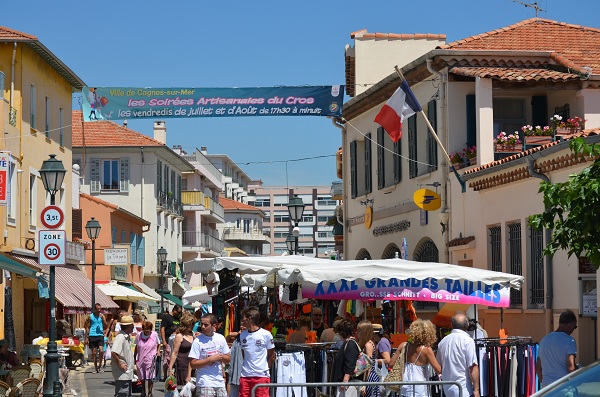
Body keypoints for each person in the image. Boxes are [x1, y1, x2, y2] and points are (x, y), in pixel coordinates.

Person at [389, 319, 442, 397]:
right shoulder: (426, 349)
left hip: (405, 386)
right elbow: (438, 370)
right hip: (420, 387)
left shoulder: (403, 345)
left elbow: (391, 364)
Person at [436, 313, 480, 397]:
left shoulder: (442, 342)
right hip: (464, 389)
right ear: (467, 325)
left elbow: (438, 367)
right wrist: (476, 390)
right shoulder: (468, 341)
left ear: (451, 325)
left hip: (447, 390)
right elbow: (473, 367)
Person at [189, 313, 231, 397]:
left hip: (219, 382)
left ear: (213, 325)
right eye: (202, 324)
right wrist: (209, 360)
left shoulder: (220, 338)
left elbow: (228, 359)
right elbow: (193, 364)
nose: (203, 327)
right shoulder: (198, 341)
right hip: (205, 381)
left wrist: (220, 357)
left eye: (206, 325)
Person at [535, 309, 578, 389]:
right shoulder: (570, 341)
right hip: (563, 386)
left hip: (547, 387)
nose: (573, 330)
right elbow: (571, 367)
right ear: (569, 325)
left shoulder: (544, 340)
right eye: (574, 327)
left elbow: (538, 368)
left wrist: (544, 382)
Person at [238, 307, 275, 397]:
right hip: (245, 376)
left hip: (261, 376)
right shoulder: (242, 335)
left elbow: (272, 356)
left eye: (243, 318)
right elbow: (244, 354)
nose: (241, 321)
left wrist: (265, 368)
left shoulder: (266, 334)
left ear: (249, 318)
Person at [332, 319, 360, 397]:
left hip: (347, 384)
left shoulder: (350, 344)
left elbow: (350, 364)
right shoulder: (349, 343)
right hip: (346, 383)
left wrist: (345, 381)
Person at [135, 321, 161, 397]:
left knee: (150, 377)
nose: (147, 330)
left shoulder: (154, 334)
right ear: (142, 329)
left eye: (148, 329)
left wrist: (158, 351)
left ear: (151, 329)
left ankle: (150, 392)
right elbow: (136, 347)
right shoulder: (139, 335)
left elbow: (159, 344)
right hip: (141, 358)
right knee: (142, 377)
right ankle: (143, 391)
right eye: (145, 329)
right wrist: (134, 357)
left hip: (151, 358)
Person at [111, 315, 135, 397]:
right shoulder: (121, 337)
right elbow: (114, 352)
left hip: (126, 374)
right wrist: (120, 364)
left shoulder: (126, 337)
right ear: (129, 326)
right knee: (122, 394)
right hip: (122, 374)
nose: (133, 327)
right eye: (132, 325)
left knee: (126, 394)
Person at [169, 313, 195, 386]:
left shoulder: (193, 334)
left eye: (193, 324)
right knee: (186, 386)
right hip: (183, 363)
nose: (193, 326)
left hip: (193, 363)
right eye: (191, 324)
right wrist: (170, 368)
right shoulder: (179, 336)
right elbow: (174, 352)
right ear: (186, 324)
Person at [85, 303, 108, 373]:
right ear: (94, 309)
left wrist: (104, 320)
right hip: (92, 335)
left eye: (100, 309)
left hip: (100, 335)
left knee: (101, 351)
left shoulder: (102, 316)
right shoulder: (90, 316)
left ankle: (100, 366)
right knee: (94, 353)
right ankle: (95, 368)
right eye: (97, 309)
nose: (99, 310)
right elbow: (87, 327)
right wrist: (86, 337)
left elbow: (106, 326)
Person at [161, 305, 182, 379]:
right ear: (174, 310)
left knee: (174, 357)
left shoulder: (177, 318)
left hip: (176, 341)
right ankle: (165, 375)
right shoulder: (166, 317)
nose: (179, 314)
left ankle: (173, 373)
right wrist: (163, 341)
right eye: (178, 312)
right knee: (166, 358)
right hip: (167, 340)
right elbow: (162, 329)